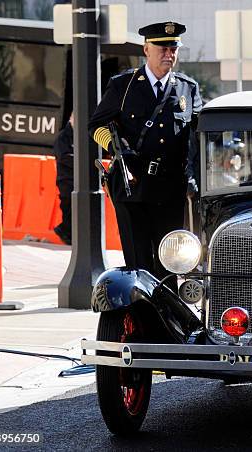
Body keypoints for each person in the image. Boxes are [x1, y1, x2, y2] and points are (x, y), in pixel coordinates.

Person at [88, 21, 202, 281]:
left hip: (170, 188)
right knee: (138, 266)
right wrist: (119, 150)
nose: (169, 54)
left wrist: (193, 175)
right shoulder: (123, 85)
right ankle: (141, 319)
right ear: (146, 49)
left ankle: (167, 319)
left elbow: (196, 137)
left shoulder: (187, 88)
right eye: (162, 48)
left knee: (169, 265)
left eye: (173, 48)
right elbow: (95, 126)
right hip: (133, 186)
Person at [53, 113, 74, 245]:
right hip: (66, 180)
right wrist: (82, 161)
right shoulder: (63, 137)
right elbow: (64, 157)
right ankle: (64, 232)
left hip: (74, 181)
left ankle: (68, 234)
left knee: (72, 211)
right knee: (67, 208)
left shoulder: (80, 136)